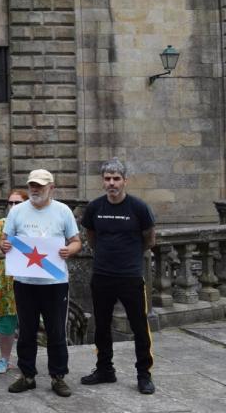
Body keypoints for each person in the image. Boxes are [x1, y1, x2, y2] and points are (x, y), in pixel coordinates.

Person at [1, 169, 81, 397]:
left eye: (40, 186)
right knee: (26, 331)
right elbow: (5, 241)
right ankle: (27, 375)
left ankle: (58, 377)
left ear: (51, 188)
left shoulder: (63, 211)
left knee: (56, 330)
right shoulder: (17, 211)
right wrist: (5, 246)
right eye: (32, 185)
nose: (35, 189)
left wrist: (69, 250)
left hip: (55, 282)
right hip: (25, 282)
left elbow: (77, 241)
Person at [80, 158, 157, 395]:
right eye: (107, 179)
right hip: (102, 275)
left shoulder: (138, 208)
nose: (111, 183)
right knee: (101, 326)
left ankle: (144, 374)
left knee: (139, 327)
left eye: (116, 179)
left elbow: (149, 239)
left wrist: (130, 257)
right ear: (102, 182)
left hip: (130, 277)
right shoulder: (95, 208)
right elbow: (91, 237)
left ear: (125, 181)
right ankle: (105, 369)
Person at [0, 189, 27, 374]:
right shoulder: (1, 223)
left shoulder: (31, 225)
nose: (13, 206)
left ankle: (27, 359)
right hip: (3, 281)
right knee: (5, 322)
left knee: (29, 321)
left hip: (27, 280)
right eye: (10, 203)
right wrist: (17, 253)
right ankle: (4, 358)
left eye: (17, 203)